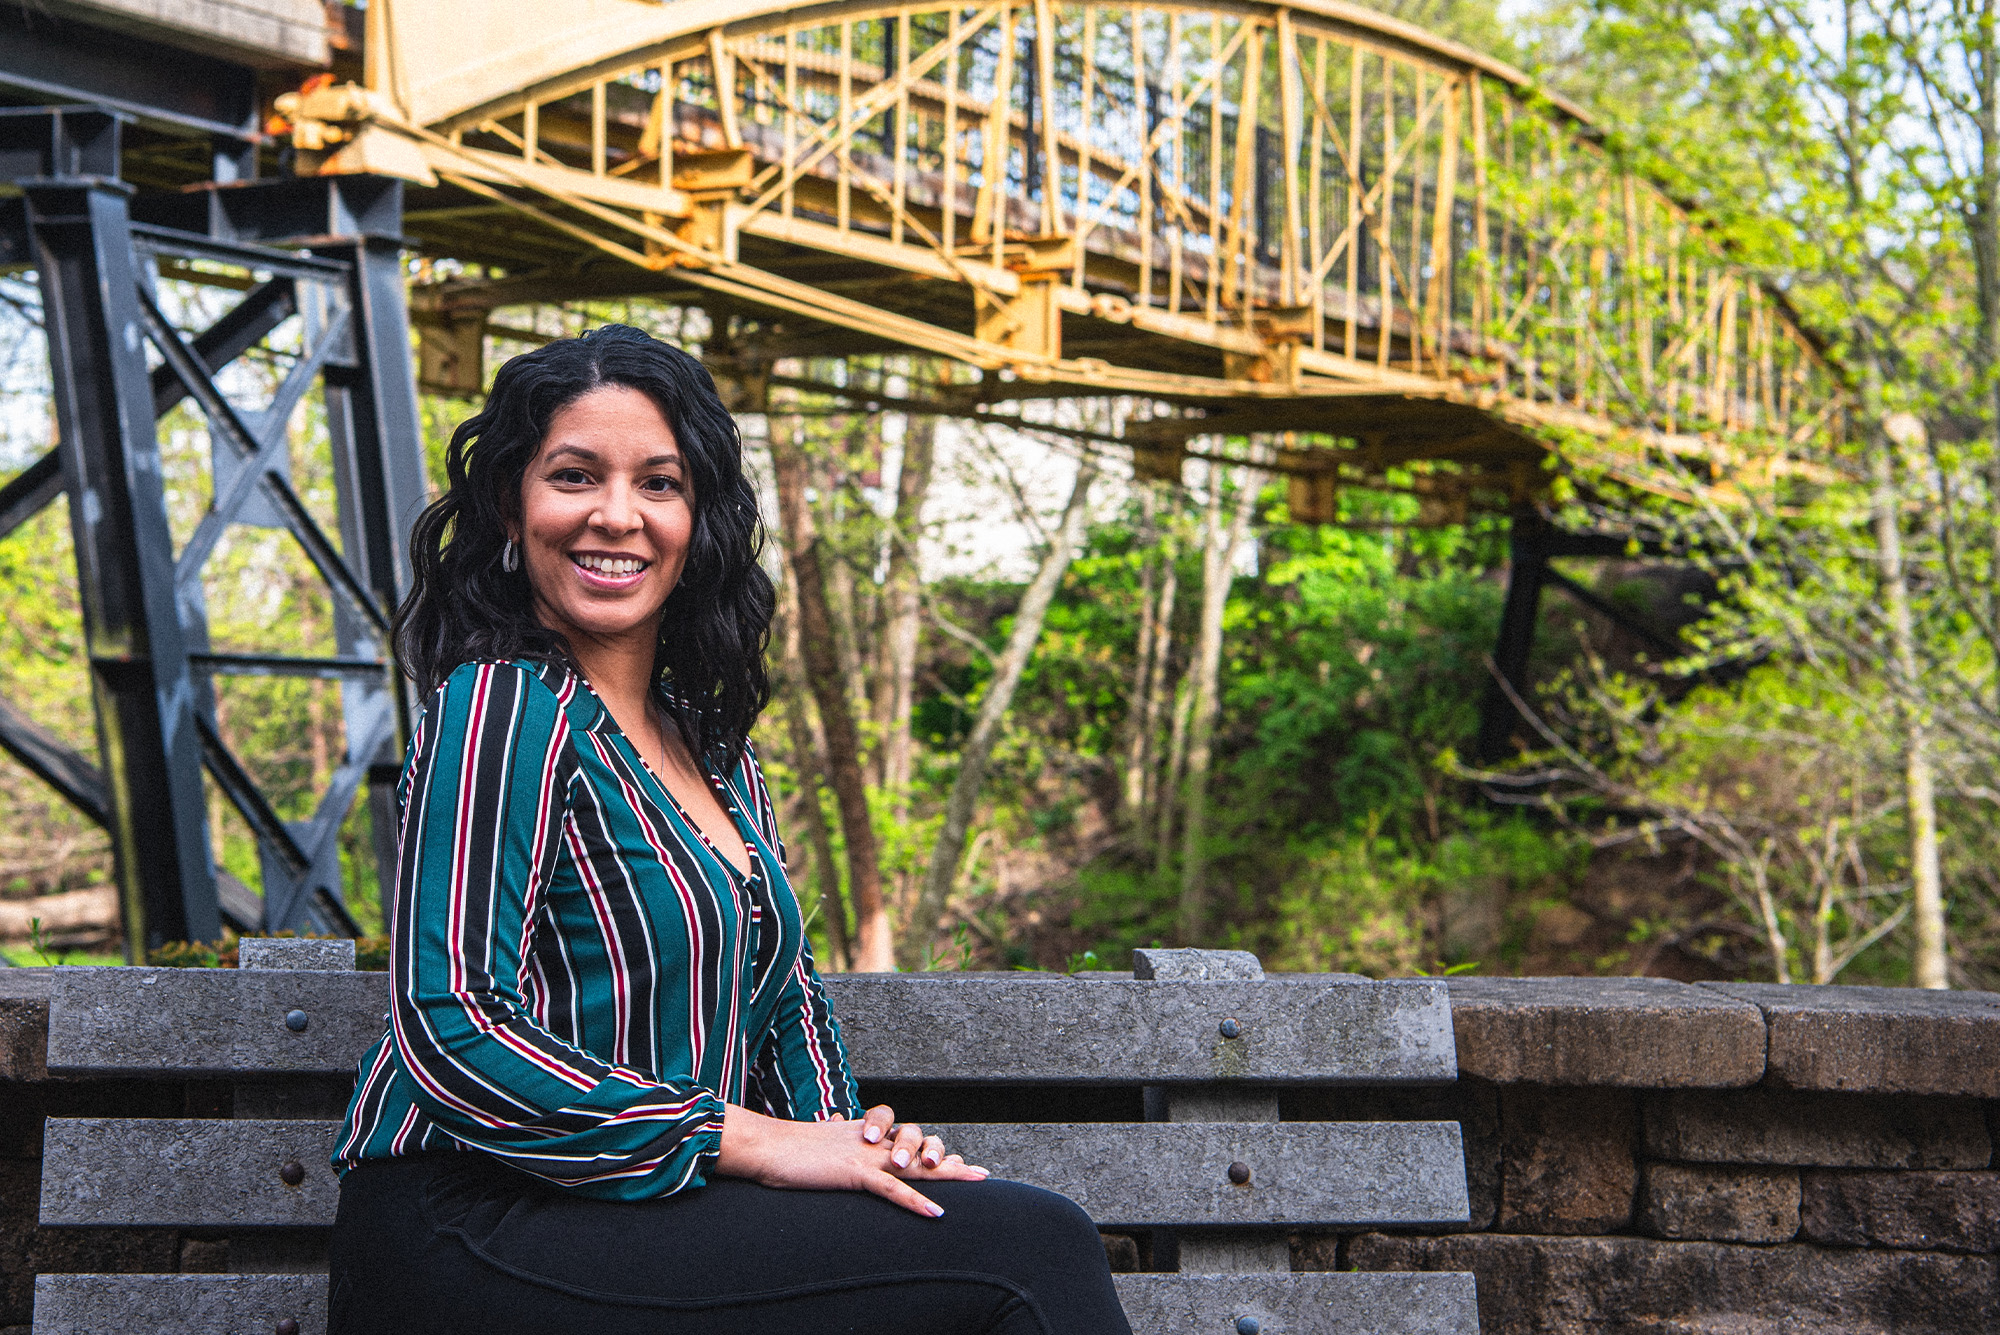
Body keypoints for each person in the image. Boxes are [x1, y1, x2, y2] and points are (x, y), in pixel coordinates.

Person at [327, 325, 1132, 1335]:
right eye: (573, 476)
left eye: (657, 484)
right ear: (510, 505)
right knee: (1029, 1249)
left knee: (968, 1230)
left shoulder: (711, 749)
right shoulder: (500, 705)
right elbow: (453, 1025)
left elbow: (782, 1002)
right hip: (478, 1223)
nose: (614, 516)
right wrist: (752, 1141)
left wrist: (854, 1149)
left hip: (653, 1222)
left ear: (697, 517)